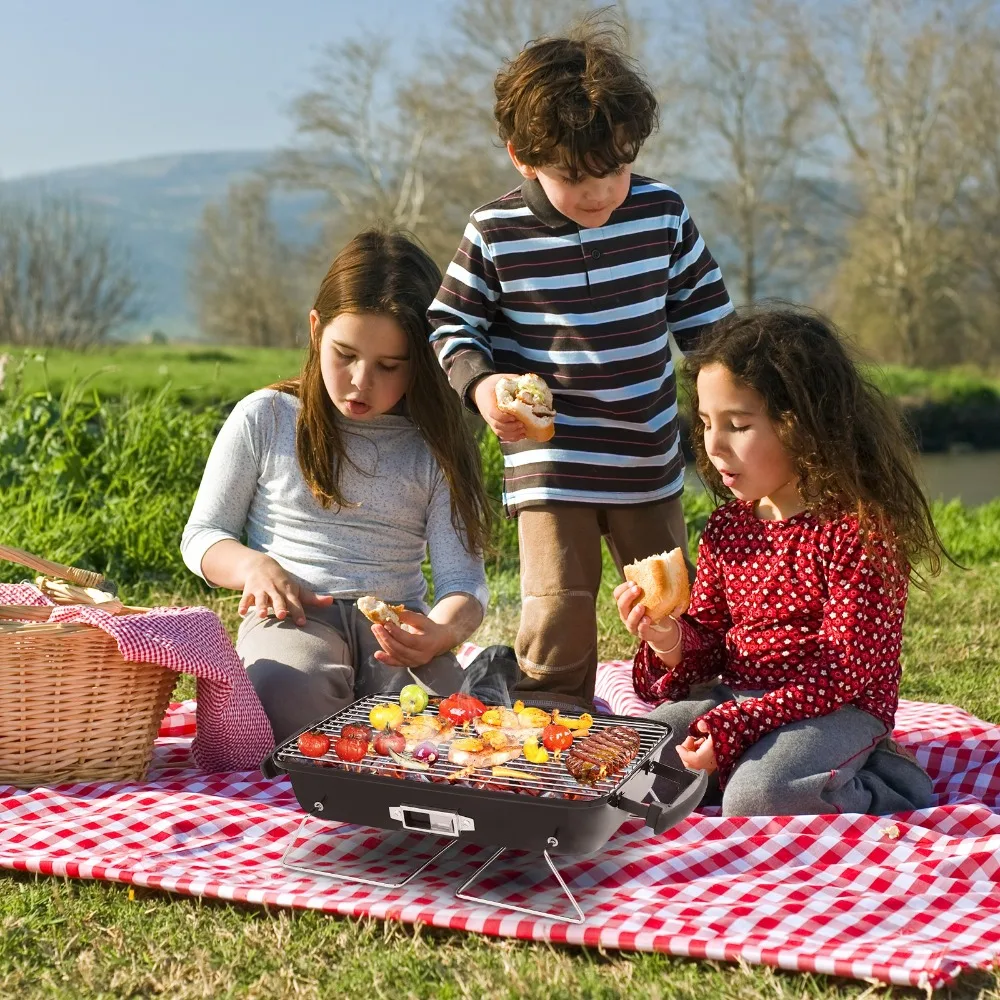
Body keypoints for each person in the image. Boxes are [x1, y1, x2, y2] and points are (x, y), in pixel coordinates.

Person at [427, 24, 733, 709]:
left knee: (673, 606)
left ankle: (695, 714)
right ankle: (551, 717)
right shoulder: (494, 232)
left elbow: (711, 327)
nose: (599, 193)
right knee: (557, 607)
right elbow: (451, 323)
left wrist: (734, 413)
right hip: (551, 466)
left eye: (615, 170)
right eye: (574, 177)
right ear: (522, 158)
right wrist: (484, 385)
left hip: (646, 458)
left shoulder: (662, 214)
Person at [181, 228, 511, 745]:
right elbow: (202, 535)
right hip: (294, 619)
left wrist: (442, 632)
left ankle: (476, 685)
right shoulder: (266, 417)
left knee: (449, 733)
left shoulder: (436, 446)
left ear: (423, 358)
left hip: (396, 631)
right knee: (285, 696)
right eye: (345, 354)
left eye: (389, 366)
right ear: (316, 330)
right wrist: (253, 567)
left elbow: (463, 583)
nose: (361, 381)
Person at [616, 306, 943, 817]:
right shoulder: (728, 527)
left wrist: (735, 728)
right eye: (706, 423)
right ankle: (745, 768)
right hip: (737, 697)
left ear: (802, 426)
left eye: (738, 425)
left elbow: (842, 672)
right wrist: (669, 639)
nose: (714, 445)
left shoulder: (858, 531)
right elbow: (710, 642)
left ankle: (887, 779)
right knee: (627, 753)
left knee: (758, 796)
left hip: (835, 708)